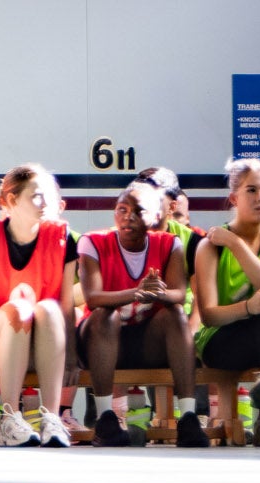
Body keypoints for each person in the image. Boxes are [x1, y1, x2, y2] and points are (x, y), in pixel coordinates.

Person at [78, 180, 204, 449]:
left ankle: (189, 417)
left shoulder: (169, 243)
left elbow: (179, 293)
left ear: (157, 216)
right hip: (100, 340)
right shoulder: (92, 242)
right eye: (122, 210)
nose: (129, 218)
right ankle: (105, 419)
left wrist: (158, 293)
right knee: (105, 314)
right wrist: (137, 292)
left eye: (138, 211)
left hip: (145, 343)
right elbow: (92, 297)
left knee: (176, 315)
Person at [0, 165, 79, 449]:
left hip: (43, 343)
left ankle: (51, 418)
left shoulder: (64, 237)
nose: (46, 203)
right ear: (12, 200)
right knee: (19, 308)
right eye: (37, 196)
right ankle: (9, 417)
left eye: (49, 196)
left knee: (49, 309)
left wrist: (72, 357)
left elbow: (67, 306)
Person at [193, 159, 260, 448]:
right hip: (220, 343)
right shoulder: (210, 245)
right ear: (234, 198)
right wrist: (249, 307)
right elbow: (209, 316)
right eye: (251, 190)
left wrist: (236, 244)